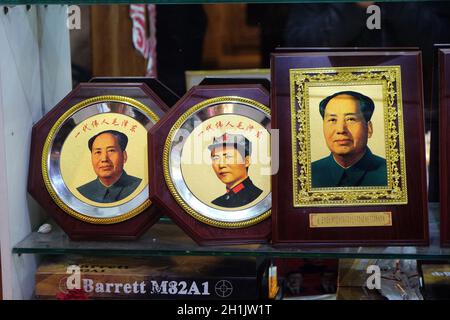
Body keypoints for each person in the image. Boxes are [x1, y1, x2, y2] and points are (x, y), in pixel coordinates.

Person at [311, 91, 387, 188]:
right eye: (332, 120)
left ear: (369, 128)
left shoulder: (391, 174)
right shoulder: (307, 175)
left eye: (350, 119)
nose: (341, 130)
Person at [77, 130, 142, 203]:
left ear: (124, 156)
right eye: (98, 152)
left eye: (111, 151)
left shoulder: (140, 188)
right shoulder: (81, 193)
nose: (104, 159)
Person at [208, 133, 262, 208]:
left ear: (246, 161)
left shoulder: (257, 198)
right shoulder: (216, 203)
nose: (221, 165)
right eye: (215, 158)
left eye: (228, 156)